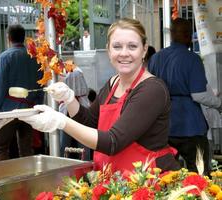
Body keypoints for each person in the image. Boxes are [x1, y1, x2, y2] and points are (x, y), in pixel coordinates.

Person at [19, 18, 180, 173]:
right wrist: (69, 99)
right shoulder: (113, 83)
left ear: (144, 50)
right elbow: (90, 122)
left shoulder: (152, 90)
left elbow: (112, 142)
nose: (124, 53)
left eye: (132, 46)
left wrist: (61, 122)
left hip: (150, 183)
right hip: (117, 180)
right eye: (117, 46)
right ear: (109, 50)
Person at [148, 18, 222, 175]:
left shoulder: (155, 58)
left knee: (166, 176)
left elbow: (148, 91)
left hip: (163, 125)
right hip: (190, 126)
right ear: (188, 36)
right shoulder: (192, 59)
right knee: (199, 174)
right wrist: (219, 104)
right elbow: (199, 95)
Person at [0, 24, 44, 161]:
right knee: (26, 149)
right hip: (30, 108)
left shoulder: (5, 57)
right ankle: (28, 181)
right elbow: (41, 83)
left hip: (8, 109)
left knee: (0, 148)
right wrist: (38, 104)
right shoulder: (35, 57)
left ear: (8, 38)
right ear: (24, 38)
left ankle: (5, 180)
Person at [59, 66, 92, 160]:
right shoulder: (84, 100)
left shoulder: (82, 100)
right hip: (69, 112)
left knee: (80, 142)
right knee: (81, 143)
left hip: (68, 113)